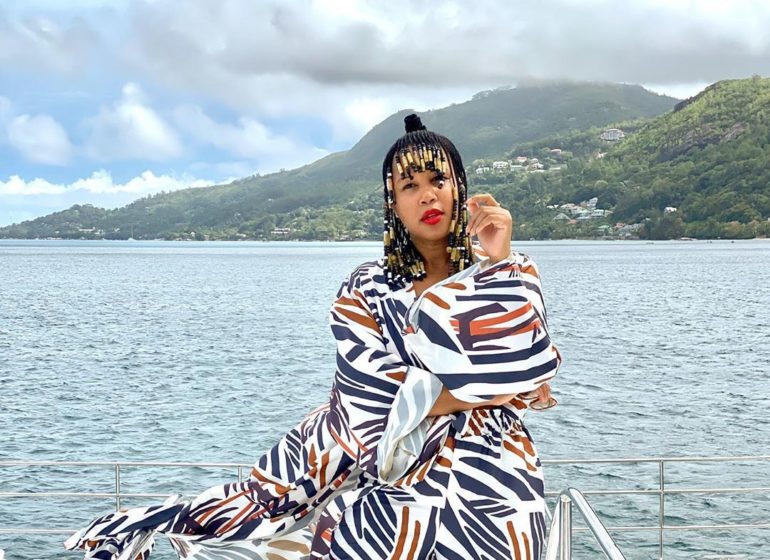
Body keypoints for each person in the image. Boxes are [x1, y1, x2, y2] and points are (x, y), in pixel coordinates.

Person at [65, 114, 561, 560]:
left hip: (497, 474)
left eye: (438, 180)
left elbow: (534, 369)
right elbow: (372, 395)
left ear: (461, 188)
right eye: (409, 185)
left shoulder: (507, 270)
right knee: (351, 536)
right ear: (393, 202)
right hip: (400, 473)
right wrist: (493, 388)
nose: (427, 196)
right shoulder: (366, 289)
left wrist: (500, 261)